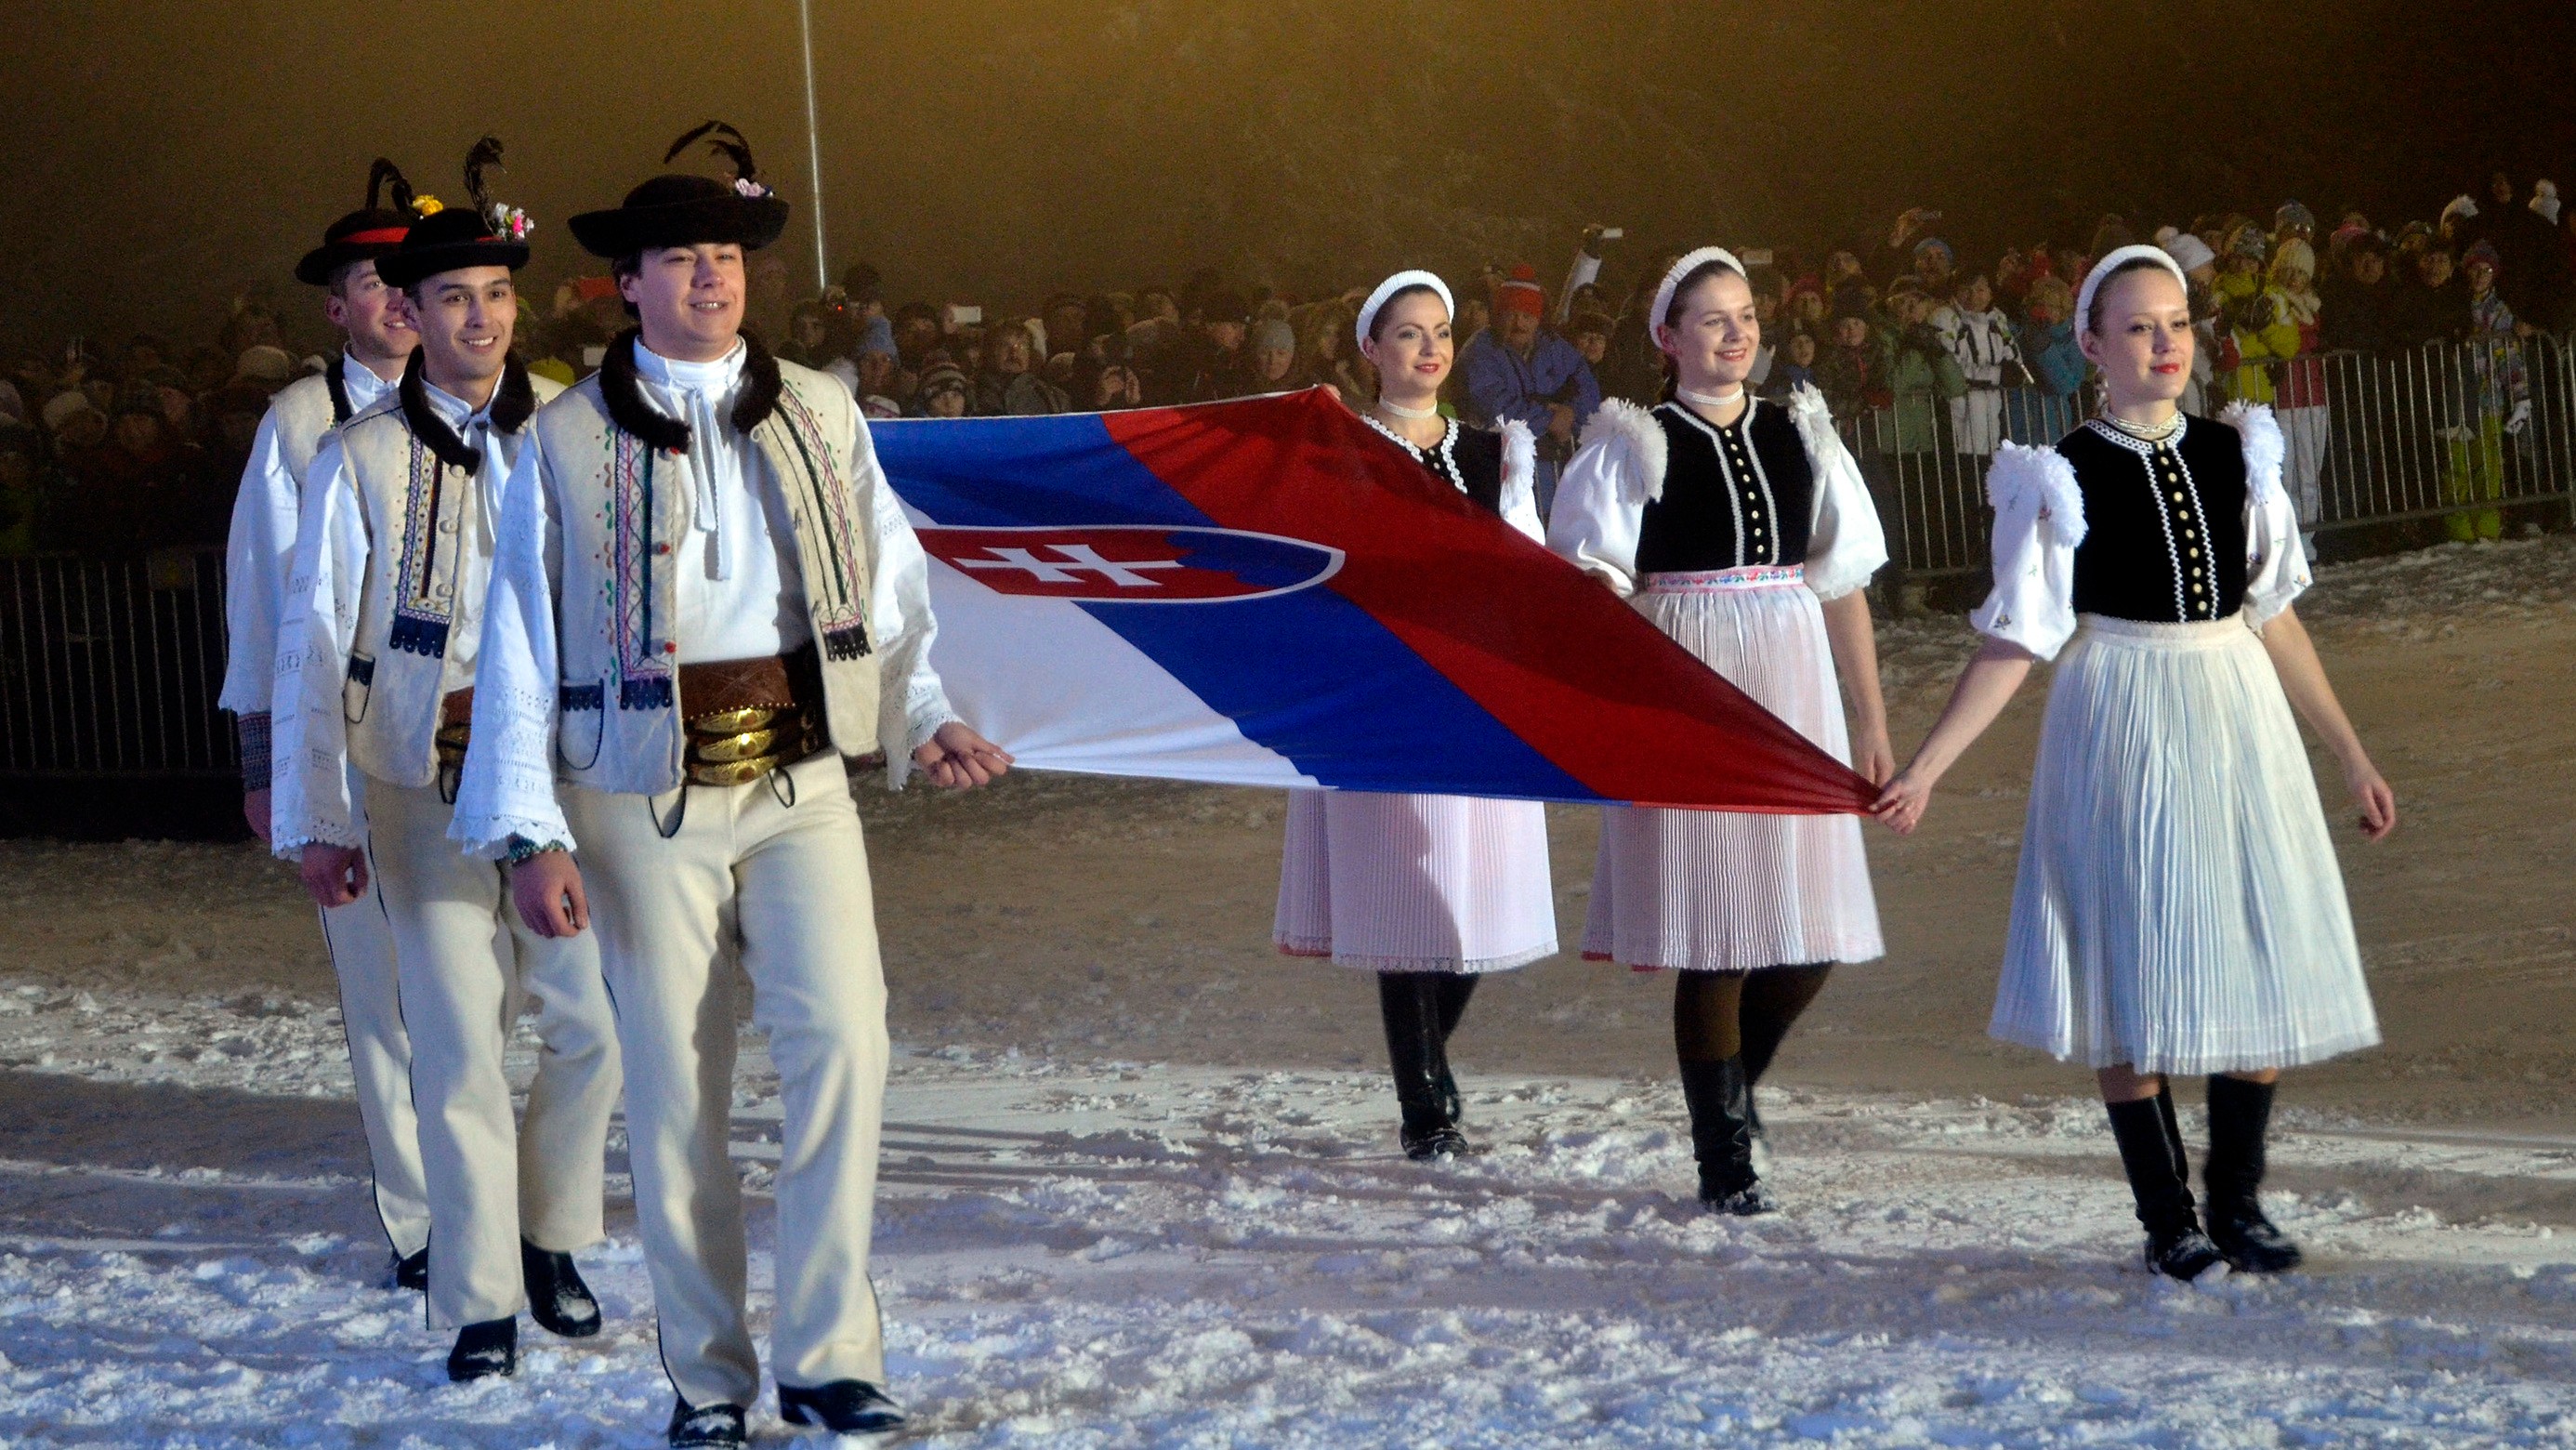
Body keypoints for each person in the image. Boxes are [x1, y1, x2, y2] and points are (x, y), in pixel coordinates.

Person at [453, 123, 1014, 1449]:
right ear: (627, 284)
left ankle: (828, 1360)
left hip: (802, 776)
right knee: (676, 1088)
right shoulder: (565, 438)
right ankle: (707, 1380)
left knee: (848, 1044)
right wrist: (528, 831)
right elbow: (518, 637)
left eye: (726, 255)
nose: (711, 276)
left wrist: (920, 710)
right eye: (680, 259)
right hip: (637, 790)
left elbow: (886, 579)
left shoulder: (820, 405)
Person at [1875, 246, 2393, 1281]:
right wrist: (1927, 766)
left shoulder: (2239, 451)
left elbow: (2275, 614)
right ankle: (2169, 1219)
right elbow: (2019, 636)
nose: (2166, 344)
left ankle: (2237, 1204)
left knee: (2259, 941)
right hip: (2120, 709)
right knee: (2128, 960)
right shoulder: (2060, 473)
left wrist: (2349, 752)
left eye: (2179, 323)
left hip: (2234, 703)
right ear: (2091, 344)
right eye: (2141, 327)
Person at [267, 140, 620, 1382]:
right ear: (409, 315)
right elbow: (315, 643)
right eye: (453, 297)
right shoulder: (356, 455)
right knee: (460, 1043)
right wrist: (320, 815)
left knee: (590, 1026)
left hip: (558, 776)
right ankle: (477, 1296)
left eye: (498, 294)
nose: (480, 318)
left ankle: (550, 1234)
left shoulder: (577, 432)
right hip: (418, 777)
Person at [1547, 248, 1892, 1216]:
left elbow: (1842, 584)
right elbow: (1591, 587)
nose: (1736, 334)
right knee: (1718, 933)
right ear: (1667, 337)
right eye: (1712, 319)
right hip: (1687, 681)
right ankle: (1724, 1157)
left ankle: (1734, 1093)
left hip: (1791, 678)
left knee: (1810, 932)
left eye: (1746, 316)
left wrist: (1870, 721)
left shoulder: (1800, 431)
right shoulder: (1635, 442)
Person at [1274, 271, 1557, 1160]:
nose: (1430, 348)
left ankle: (1426, 1072)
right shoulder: (1339, 449)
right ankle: (1427, 1112)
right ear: (1371, 349)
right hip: (1381, 693)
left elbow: (1525, 568)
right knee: (1408, 898)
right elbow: (1307, 567)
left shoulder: (1495, 453)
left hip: (1474, 692)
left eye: (1440, 332)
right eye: (1408, 333)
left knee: (1470, 904)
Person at [216, 161, 436, 1294]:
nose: (398, 298)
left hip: (473, 741)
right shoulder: (300, 421)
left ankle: (504, 1192)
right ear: (335, 306)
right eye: (372, 281)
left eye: (412, 278)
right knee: (381, 988)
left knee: (499, 982)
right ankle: (424, 1220)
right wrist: (271, 769)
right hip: (346, 740)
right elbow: (263, 601)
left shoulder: (495, 405)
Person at [1458, 264, 1601, 516]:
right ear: (1498, 316)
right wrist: (1548, 419)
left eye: (1527, 316)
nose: (1519, 323)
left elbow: (1587, 391)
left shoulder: (1555, 347)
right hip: (1502, 476)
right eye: (1511, 315)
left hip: (1559, 477)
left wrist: (1570, 415)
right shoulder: (1480, 351)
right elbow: (1492, 403)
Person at [2450, 241, 2530, 542]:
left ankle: (2486, 526)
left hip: (2489, 398)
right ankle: (2459, 527)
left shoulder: (2499, 311)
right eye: (2475, 270)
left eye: (2486, 271)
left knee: (2488, 463)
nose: (2480, 276)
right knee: (2460, 463)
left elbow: (2510, 358)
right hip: (2459, 397)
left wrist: (2520, 396)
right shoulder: (2457, 306)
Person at [1934, 271, 2025, 459]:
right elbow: (1948, 366)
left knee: (1988, 464)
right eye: (1966, 290)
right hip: (1957, 411)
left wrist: (2014, 370)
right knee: (1963, 465)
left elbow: (2012, 354)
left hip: (1992, 410)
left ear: (1990, 293)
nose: (1973, 296)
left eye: (1980, 290)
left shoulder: (1997, 318)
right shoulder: (1945, 318)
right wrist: (1996, 375)